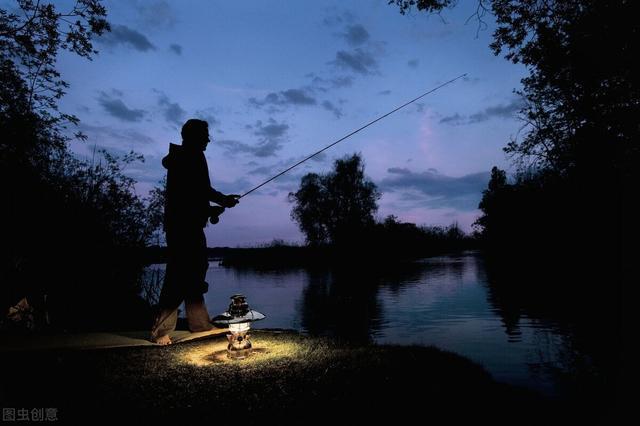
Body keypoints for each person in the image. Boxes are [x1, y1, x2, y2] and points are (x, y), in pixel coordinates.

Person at [150, 119, 239, 345]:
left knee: (195, 271)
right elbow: (190, 195)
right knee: (179, 273)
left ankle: (199, 324)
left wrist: (216, 205)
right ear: (193, 136)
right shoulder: (189, 156)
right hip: (183, 226)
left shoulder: (190, 156)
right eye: (205, 135)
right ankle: (160, 331)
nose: (208, 139)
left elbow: (196, 192)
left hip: (187, 224)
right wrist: (218, 203)